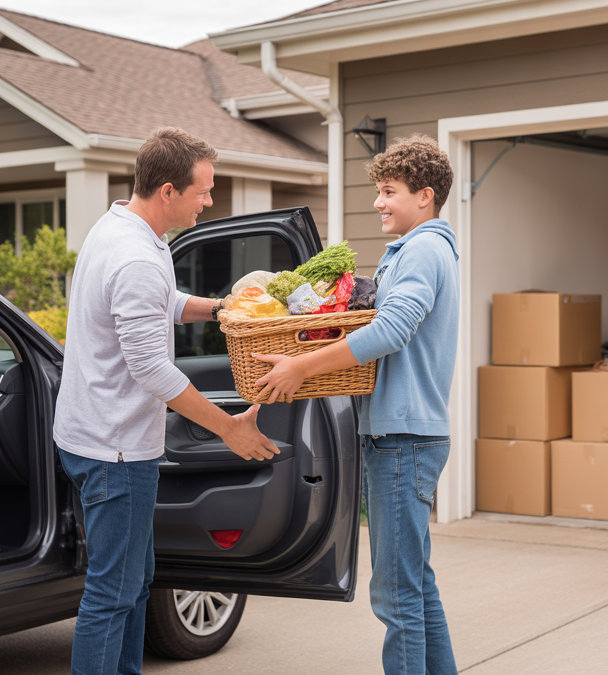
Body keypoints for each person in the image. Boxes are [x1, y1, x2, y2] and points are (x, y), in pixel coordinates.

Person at [53, 127, 280, 675]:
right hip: (117, 452)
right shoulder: (136, 256)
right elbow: (151, 367)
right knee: (112, 595)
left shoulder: (121, 229)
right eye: (203, 190)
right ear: (169, 191)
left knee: (133, 583)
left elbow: (160, 301)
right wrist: (229, 428)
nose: (210, 201)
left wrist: (220, 308)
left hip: (93, 436)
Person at [254, 134, 459, 675]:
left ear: (425, 196)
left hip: (402, 439)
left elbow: (390, 330)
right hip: (406, 435)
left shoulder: (421, 251)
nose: (379, 202)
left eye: (389, 191)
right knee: (415, 587)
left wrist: (300, 366)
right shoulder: (423, 250)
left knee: (396, 597)